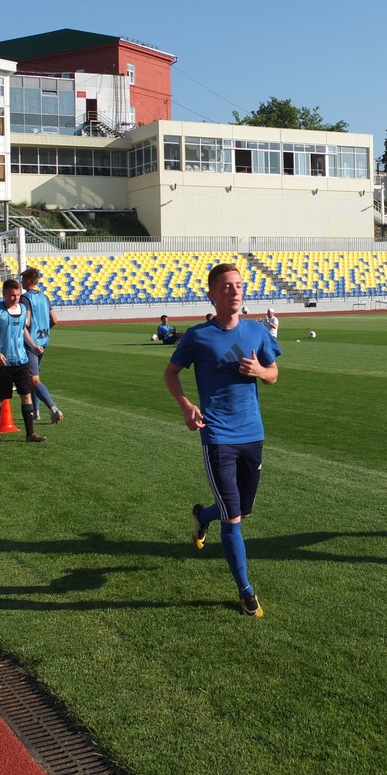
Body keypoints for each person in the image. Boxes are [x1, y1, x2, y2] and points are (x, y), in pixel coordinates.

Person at [163, 263, 281, 617]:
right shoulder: (197, 337)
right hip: (217, 437)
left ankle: (202, 515)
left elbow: (274, 374)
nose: (235, 291)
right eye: (227, 286)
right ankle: (246, 592)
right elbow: (170, 374)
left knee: (241, 510)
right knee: (234, 520)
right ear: (212, 294)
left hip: (252, 433)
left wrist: (260, 371)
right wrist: (186, 406)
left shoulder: (257, 332)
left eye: (239, 285)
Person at [0, 278, 45, 443]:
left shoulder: (23, 309)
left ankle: (30, 433)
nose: (15, 298)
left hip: (21, 361)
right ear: (4, 294)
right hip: (2, 363)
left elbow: (23, 329)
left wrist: (33, 344)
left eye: (17, 295)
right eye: (11, 295)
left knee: (26, 395)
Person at [20, 267, 63, 425]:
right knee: (34, 378)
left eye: (23, 279)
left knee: (34, 379)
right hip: (43, 341)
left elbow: (27, 321)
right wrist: (44, 330)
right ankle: (36, 412)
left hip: (30, 343)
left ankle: (54, 409)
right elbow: (55, 319)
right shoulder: (44, 297)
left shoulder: (25, 299)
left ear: (29, 281)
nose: (21, 282)